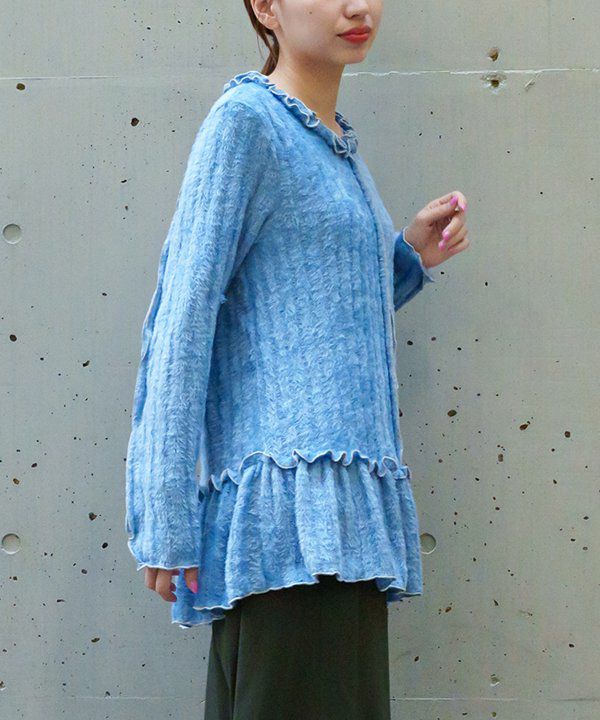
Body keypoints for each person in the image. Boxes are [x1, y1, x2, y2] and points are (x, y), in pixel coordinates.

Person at [125, 0, 469, 718]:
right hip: (289, 535)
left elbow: (307, 318)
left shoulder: (334, 141)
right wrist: (164, 513)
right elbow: (182, 318)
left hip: (344, 531)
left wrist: (402, 256)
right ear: (264, 7)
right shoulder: (248, 124)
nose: (358, 6)